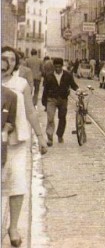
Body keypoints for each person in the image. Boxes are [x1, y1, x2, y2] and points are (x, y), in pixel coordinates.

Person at [2, 46, 47, 248]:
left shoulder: (21, 84)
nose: (8, 62)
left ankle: (13, 227)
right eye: (4, 58)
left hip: (16, 141)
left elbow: (30, 112)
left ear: (17, 63)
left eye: (12, 59)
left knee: (17, 183)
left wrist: (40, 136)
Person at [42, 57, 79, 145]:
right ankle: (50, 138)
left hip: (63, 99)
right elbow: (45, 90)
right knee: (50, 118)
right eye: (56, 67)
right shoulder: (49, 75)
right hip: (51, 99)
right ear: (54, 67)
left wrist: (78, 90)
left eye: (59, 67)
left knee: (62, 118)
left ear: (62, 66)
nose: (57, 69)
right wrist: (44, 102)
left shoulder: (67, 75)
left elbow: (73, 85)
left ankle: (60, 135)